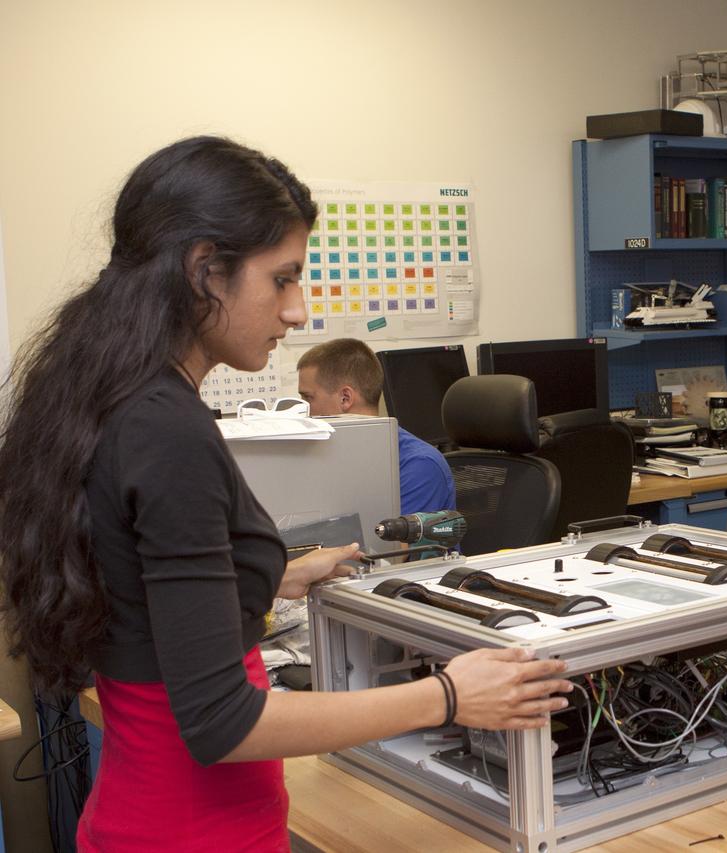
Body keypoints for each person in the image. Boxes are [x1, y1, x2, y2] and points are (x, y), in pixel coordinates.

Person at [0, 136, 572, 852]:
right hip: (197, 835)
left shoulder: (119, 400)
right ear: (205, 272)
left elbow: (141, 598)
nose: (297, 311)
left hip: (143, 819)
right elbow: (222, 720)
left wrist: (271, 573)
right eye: (282, 279)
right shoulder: (168, 430)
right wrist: (449, 695)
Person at [296, 338, 456, 516]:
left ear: (345, 398)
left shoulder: (419, 465)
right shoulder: (331, 455)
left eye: (308, 398)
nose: (305, 410)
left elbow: (392, 543)